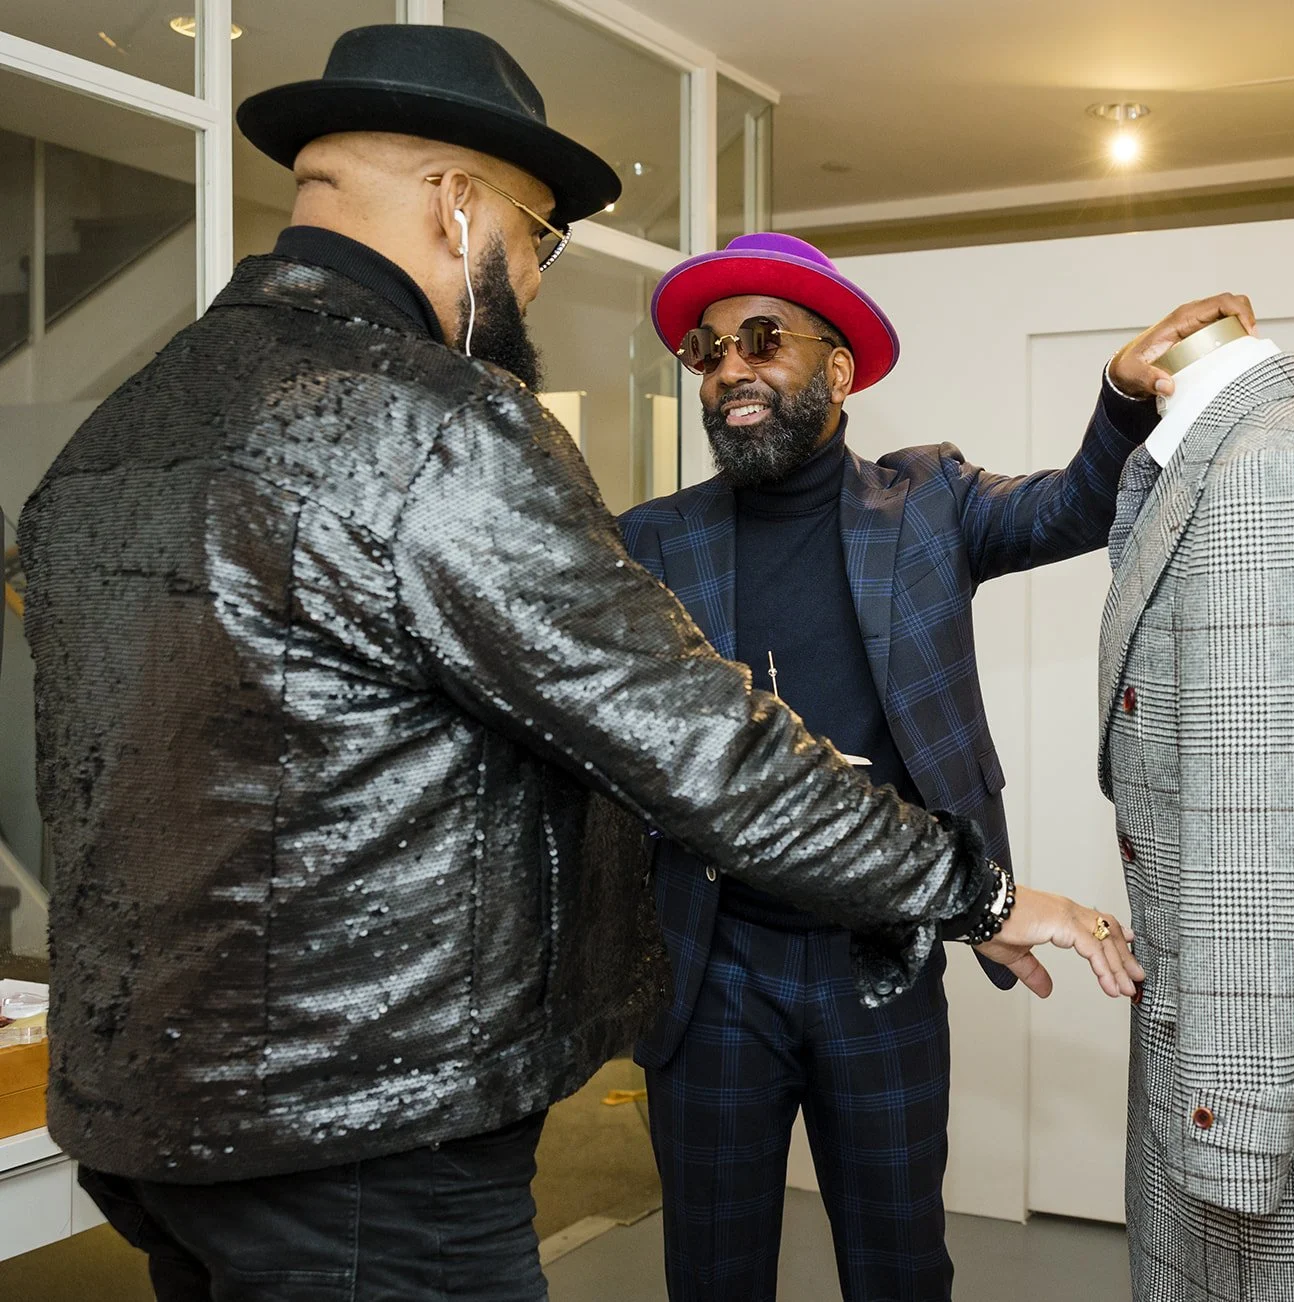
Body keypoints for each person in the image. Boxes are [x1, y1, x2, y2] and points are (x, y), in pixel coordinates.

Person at [16, 25, 1142, 1302]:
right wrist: (976, 892)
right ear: (458, 207)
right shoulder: (445, 429)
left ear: (836, 368)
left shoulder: (121, 427)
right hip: (380, 1131)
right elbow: (700, 748)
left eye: (761, 341)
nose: (535, 281)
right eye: (536, 237)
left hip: (151, 1117)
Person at [620, 231, 1250, 1301]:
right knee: (713, 1272)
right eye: (708, 349)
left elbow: (1071, 506)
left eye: (762, 339)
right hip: (711, 961)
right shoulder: (651, 542)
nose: (730, 368)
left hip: (887, 954)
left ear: (838, 370)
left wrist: (1118, 395)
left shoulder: (925, 502)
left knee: (901, 1264)